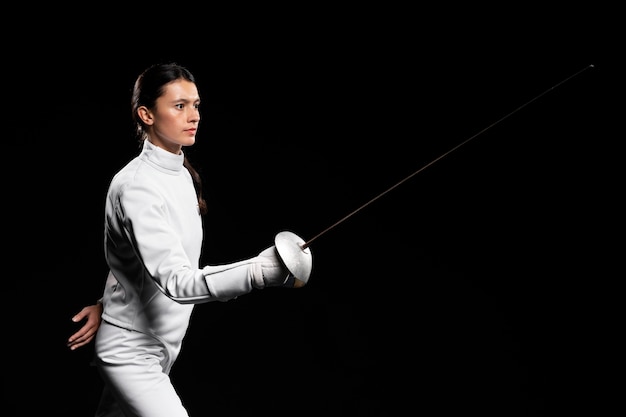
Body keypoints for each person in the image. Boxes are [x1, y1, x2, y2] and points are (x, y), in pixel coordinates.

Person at [67, 62, 306, 417]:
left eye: (195, 105)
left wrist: (108, 304)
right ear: (146, 114)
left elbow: (132, 257)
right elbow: (177, 281)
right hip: (131, 352)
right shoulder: (137, 187)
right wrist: (260, 271)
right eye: (179, 106)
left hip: (161, 346)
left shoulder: (177, 173)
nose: (193, 115)